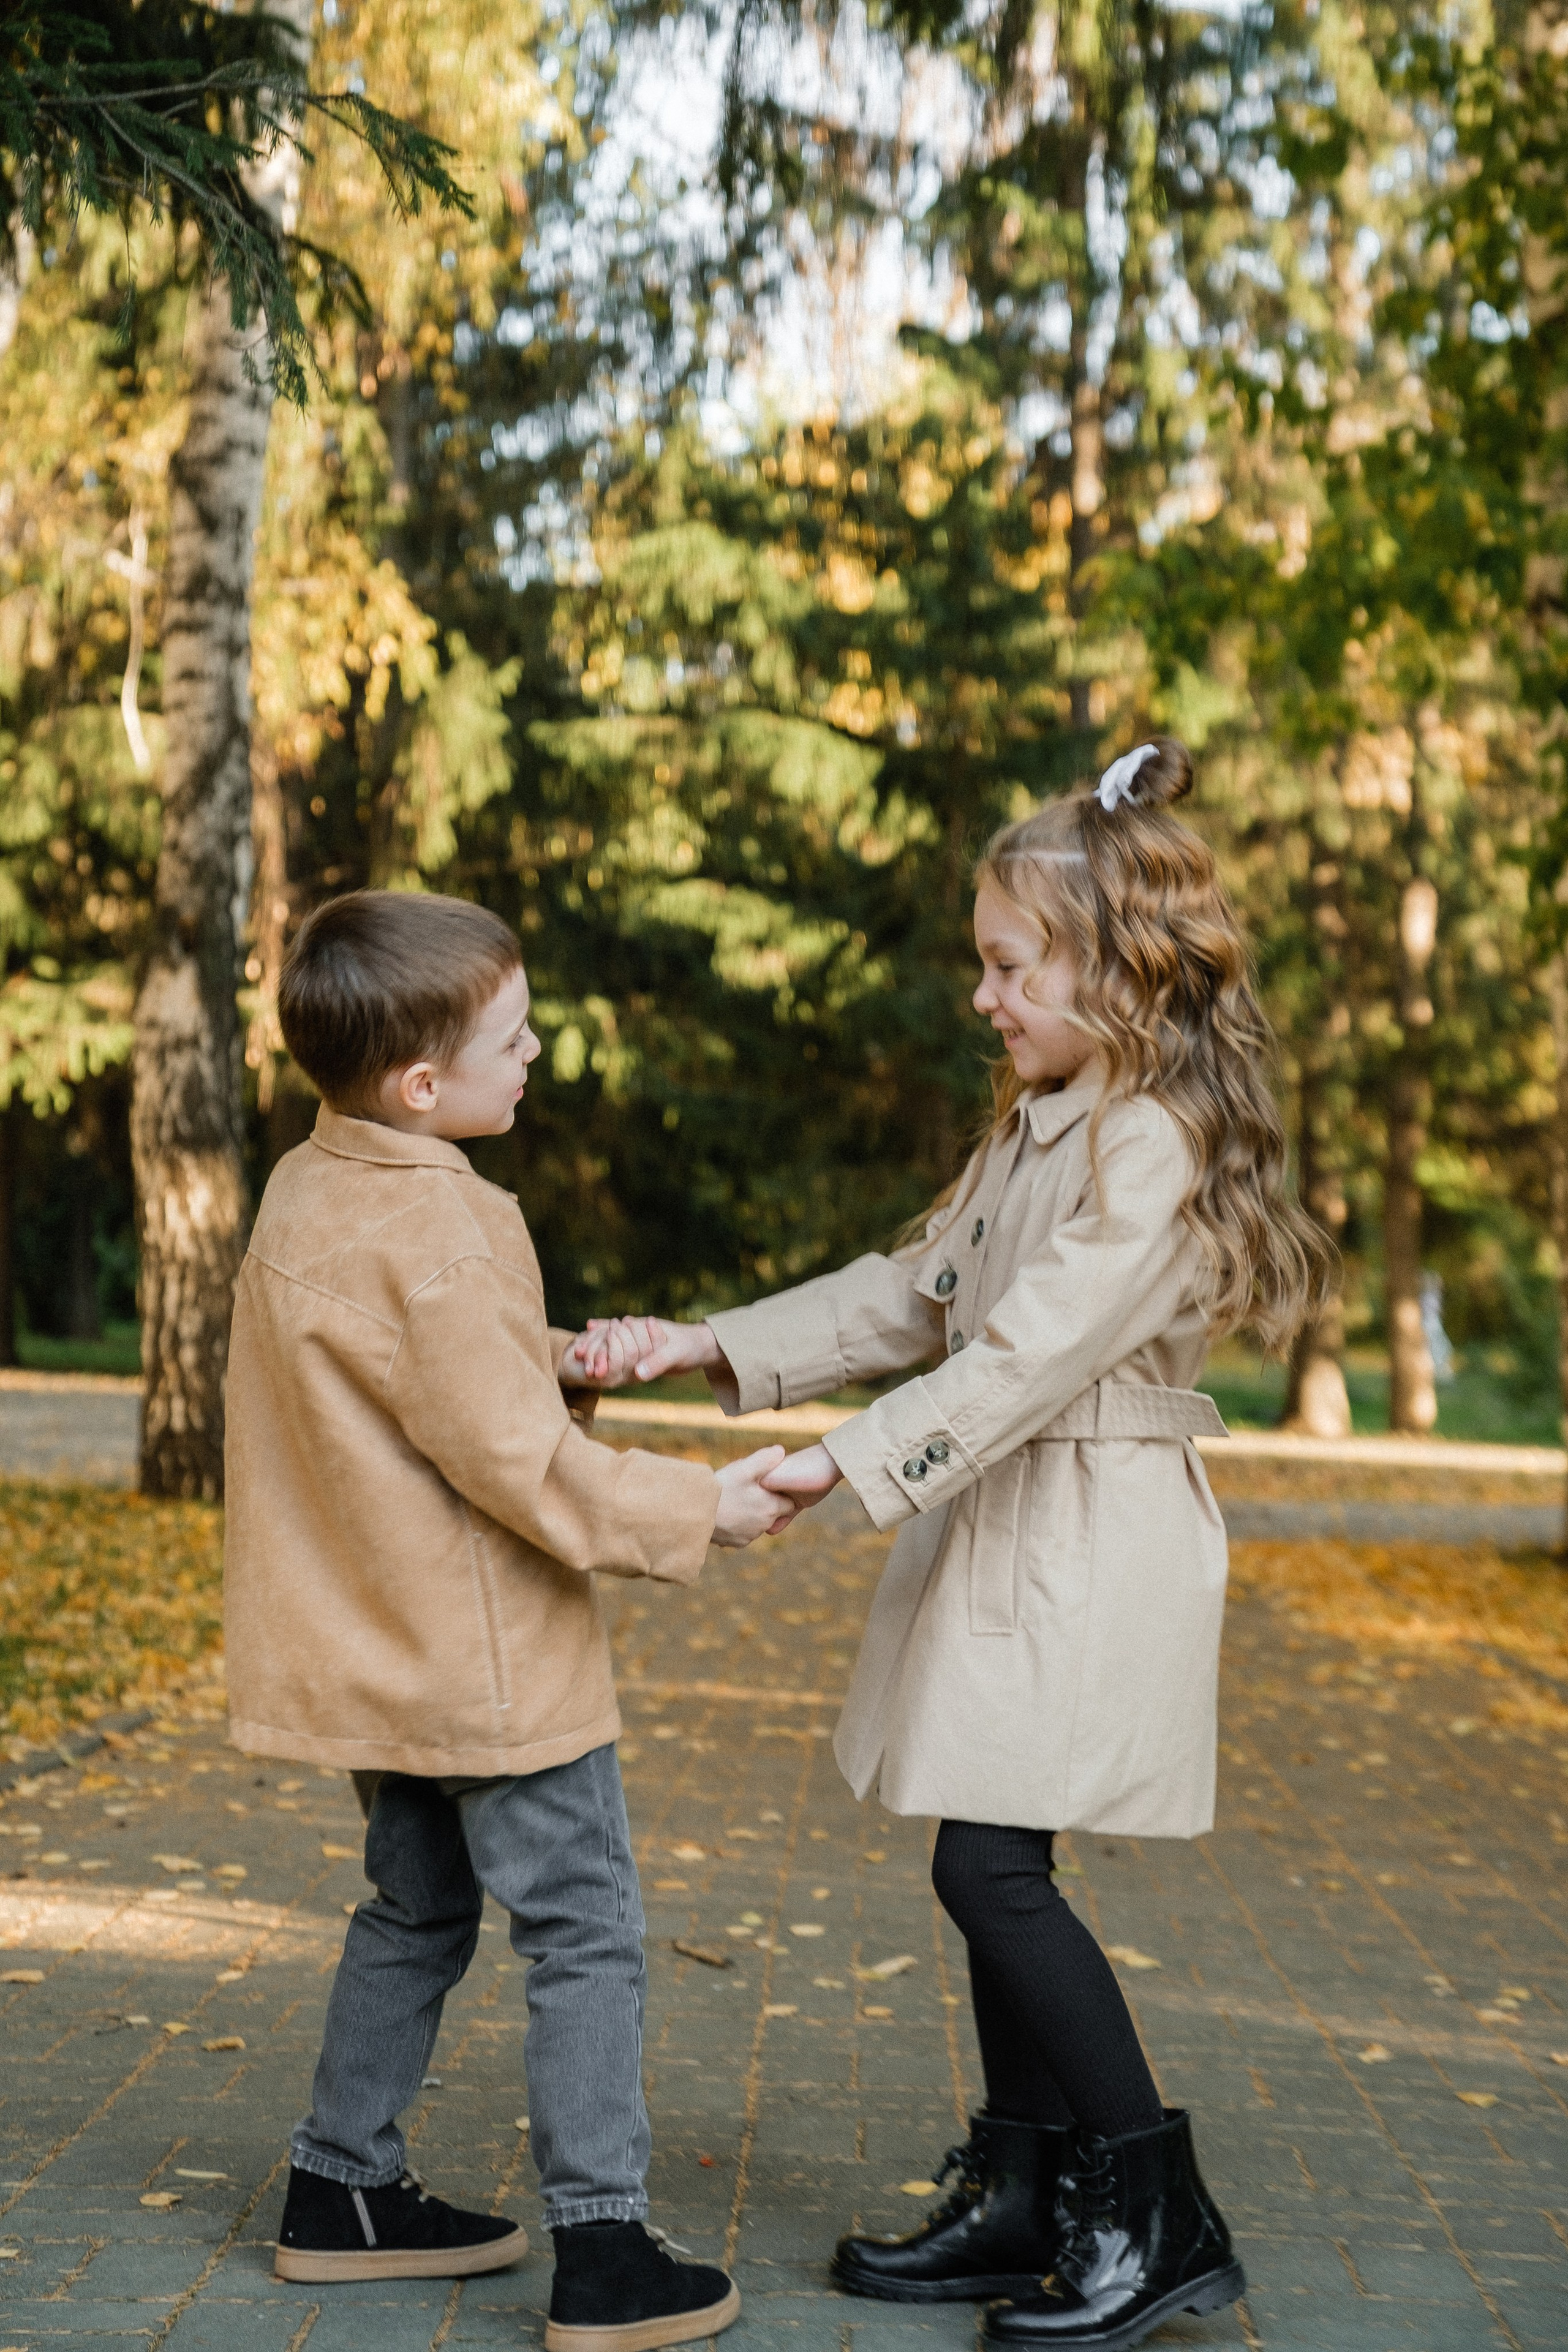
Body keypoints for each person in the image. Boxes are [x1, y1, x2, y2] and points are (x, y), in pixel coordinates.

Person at [577, 740, 1329, 2350]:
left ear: (1116, 969)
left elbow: (1031, 1354)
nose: (983, 997)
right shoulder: (1044, 1122)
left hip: (1085, 1527)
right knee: (993, 1853)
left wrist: (832, 1466)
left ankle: (1154, 2211)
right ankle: (1020, 2191)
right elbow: (908, 1295)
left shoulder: (1151, 1147)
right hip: (1014, 1511)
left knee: (990, 1865)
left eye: (1008, 965)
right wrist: (698, 1346)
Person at [225, 890, 796, 2352]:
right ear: (425, 1087)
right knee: (586, 1929)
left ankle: (339, 2187)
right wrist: (700, 1512)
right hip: (482, 1663)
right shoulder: (444, 1227)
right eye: (511, 1034)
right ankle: (604, 2249)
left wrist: (550, 1353)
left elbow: (409, 1374)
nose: (537, 1050)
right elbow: (514, 1461)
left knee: (415, 1907)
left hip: (376, 1645)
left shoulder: (312, 1187)